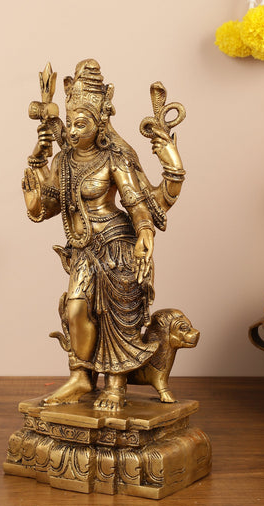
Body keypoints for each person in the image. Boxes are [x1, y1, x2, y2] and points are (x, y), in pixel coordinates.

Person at [22, 59, 186, 410]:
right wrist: (38, 159)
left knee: (115, 317)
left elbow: (136, 203)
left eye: (82, 123)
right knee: (77, 309)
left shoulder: (114, 158)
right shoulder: (63, 161)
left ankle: (115, 386)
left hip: (116, 245)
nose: (73, 130)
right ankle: (81, 377)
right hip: (83, 249)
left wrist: (145, 232)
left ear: (99, 123)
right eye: (70, 123)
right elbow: (44, 209)